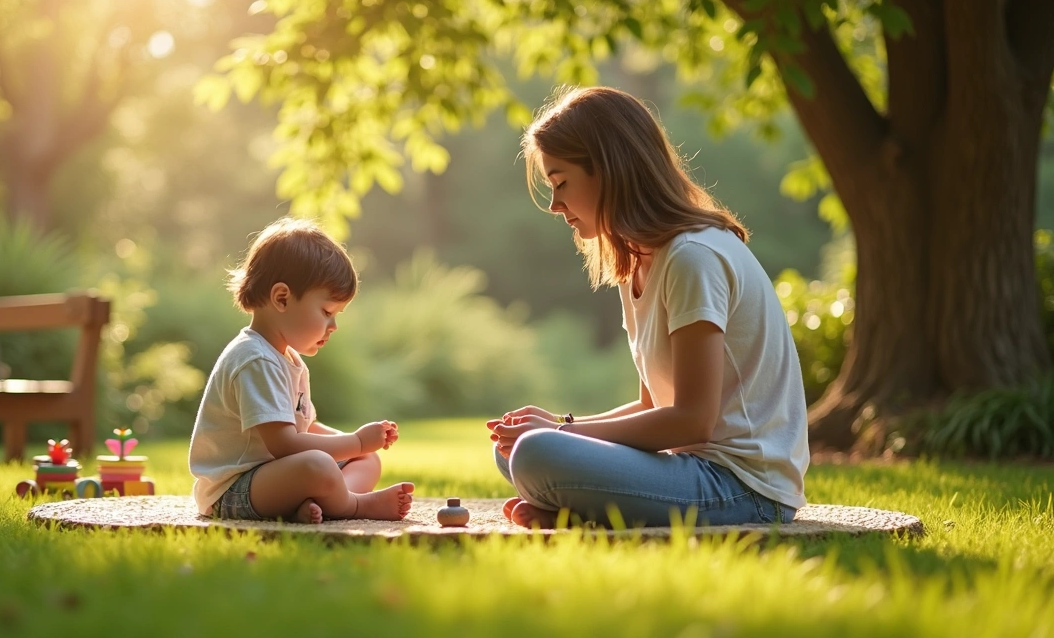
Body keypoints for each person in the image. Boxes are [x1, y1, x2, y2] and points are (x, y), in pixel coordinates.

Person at [488, 86, 809, 529]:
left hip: (743, 487)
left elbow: (692, 421)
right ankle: (580, 509)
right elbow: (651, 406)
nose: (555, 205)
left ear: (609, 171)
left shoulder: (692, 257)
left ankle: (577, 507)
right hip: (690, 469)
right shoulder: (638, 259)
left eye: (561, 183)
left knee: (536, 452)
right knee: (512, 449)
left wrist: (559, 433)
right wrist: (562, 423)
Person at [189, 217, 414, 524]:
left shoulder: (288, 359)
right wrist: (356, 441)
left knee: (366, 459)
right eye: (327, 312)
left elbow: (305, 427)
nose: (333, 326)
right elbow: (285, 444)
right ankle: (354, 506)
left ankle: (324, 502)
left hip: (273, 478)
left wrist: (359, 445)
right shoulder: (255, 359)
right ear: (282, 298)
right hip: (233, 490)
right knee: (319, 465)